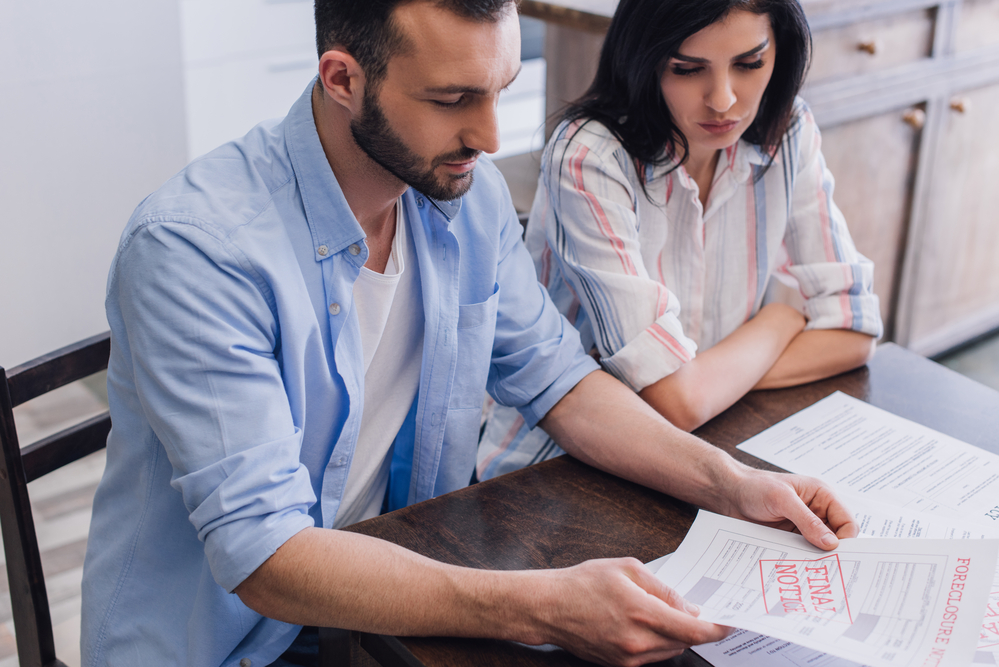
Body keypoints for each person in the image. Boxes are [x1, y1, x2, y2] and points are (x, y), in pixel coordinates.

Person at [80, 1, 858, 665]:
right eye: (453, 99)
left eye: (500, 91)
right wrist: (541, 606)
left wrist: (733, 485)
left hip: (385, 605)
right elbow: (263, 555)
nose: (489, 137)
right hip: (231, 641)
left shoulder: (462, 195)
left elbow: (560, 381)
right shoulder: (194, 249)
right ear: (342, 79)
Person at [478, 0, 884, 481]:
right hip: (555, 469)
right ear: (645, 60)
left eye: (750, 63)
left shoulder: (787, 130)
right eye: (688, 70)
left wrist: (707, 385)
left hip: (717, 440)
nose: (723, 100)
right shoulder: (590, 157)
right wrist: (783, 317)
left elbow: (854, 334)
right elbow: (674, 400)